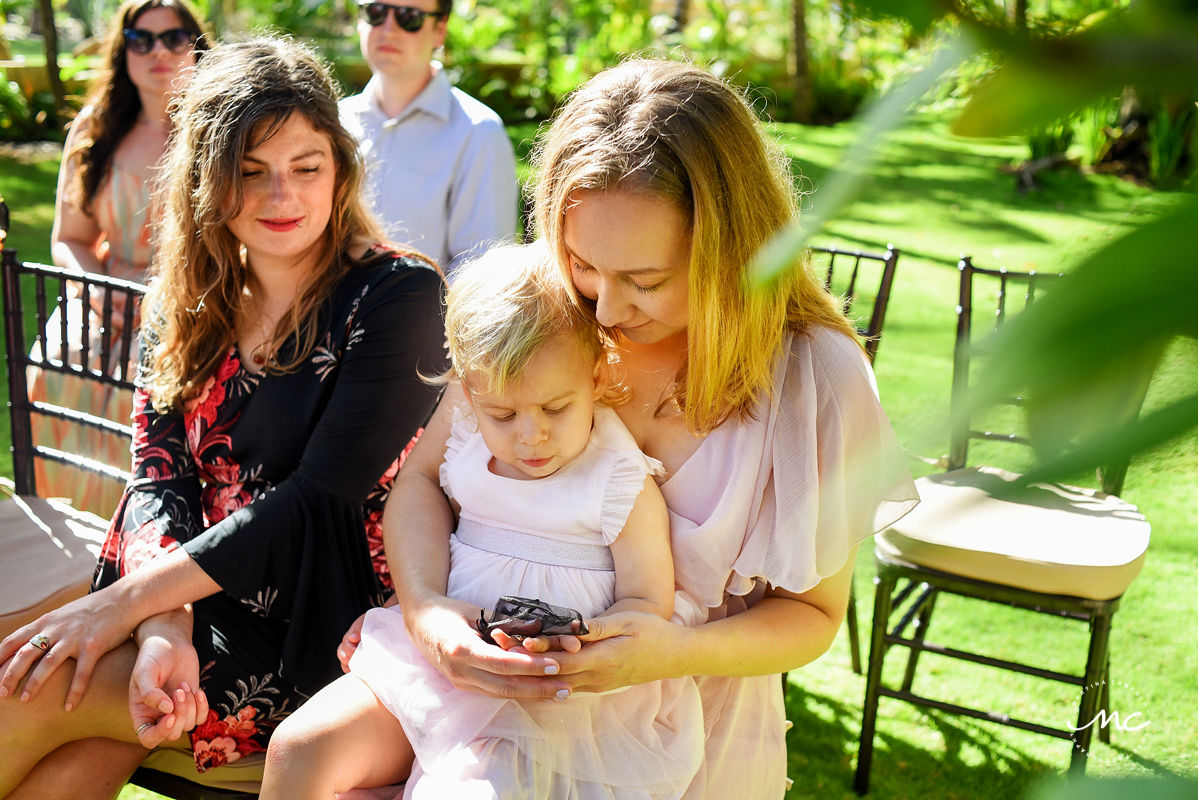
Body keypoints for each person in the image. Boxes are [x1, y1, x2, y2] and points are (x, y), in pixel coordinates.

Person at [358, 59, 920, 798]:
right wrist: (429, 611)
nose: (606, 311)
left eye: (646, 282)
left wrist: (670, 650)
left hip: (689, 740)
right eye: (585, 264)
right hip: (487, 715)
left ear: (734, 251)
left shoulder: (818, 380)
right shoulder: (545, 313)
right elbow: (425, 477)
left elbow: (812, 617)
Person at [0, 36, 446, 797]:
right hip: (188, 601)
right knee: (63, 722)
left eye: (306, 168)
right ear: (206, 181)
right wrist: (160, 625)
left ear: (339, 169)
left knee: (29, 690)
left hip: (319, 626)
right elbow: (155, 478)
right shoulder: (182, 305)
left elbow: (315, 500)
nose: (284, 197)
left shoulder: (397, 297)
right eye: (250, 174)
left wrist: (123, 606)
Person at [261, 243, 704, 799]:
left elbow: (647, 602)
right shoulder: (466, 441)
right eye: (503, 413)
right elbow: (419, 490)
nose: (530, 435)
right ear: (468, 394)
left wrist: (576, 646)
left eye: (555, 408)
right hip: (439, 669)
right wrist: (418, 604)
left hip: (553, 706)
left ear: (595, 375)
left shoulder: (617, 480)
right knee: (298, 749)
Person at [35, 0, 208, 518]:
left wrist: (164, 299)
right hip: (101, 287)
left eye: (174, 37)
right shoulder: (95, 131)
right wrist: (92, 290)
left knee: (147, 383)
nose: (158, 50)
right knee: (53, 367)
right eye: (142, 39)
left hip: (191, 296)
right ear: (123, 49)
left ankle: (138, 528)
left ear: (196, 46)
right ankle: (67, 519)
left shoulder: (220, 129)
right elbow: (70, 237)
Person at [339, 0, 519, 279]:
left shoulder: (479, 133)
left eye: (408, 17)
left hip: (425, 321)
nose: (388, 29)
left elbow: (482, 279)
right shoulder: (334, 122)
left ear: (440, 30)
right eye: (375, 12)